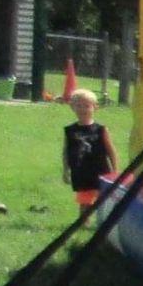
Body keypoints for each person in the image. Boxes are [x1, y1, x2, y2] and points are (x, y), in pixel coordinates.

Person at [60, 88, 118, 217]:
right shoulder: (70, 130)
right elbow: (66, 151)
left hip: (100, 170)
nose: (82, 109)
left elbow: (111, 151)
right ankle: (83, 223)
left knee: (103, 199)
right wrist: (65, 170)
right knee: (84, 201)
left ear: (95, 108)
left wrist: (115, 170)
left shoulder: (100, 129)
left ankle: (103, 223)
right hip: (80, 171)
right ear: (72, 107)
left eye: (86, 106)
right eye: (78, 106)